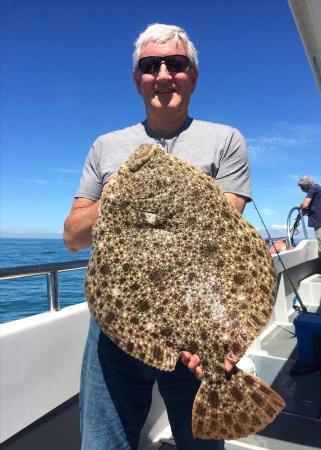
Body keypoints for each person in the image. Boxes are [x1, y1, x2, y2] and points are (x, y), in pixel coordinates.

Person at [64, 23, 252, 450]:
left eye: (176, 63)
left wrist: (230, 331)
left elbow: (227, 242)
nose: (163, 74)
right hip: (114, 333)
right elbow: (73, 237)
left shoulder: (226, 141)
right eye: (150, 65)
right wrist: (116, 198)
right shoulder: (105, 146)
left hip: (194, 330)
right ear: (137, 79)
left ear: (193, 75)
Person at [298, 175, 321, 278]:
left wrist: (300, 206)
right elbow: (309, 207)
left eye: (302, 188)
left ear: (306, 186)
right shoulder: (316, 189)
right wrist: (299, 216)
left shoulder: (313, 189)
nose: (302, 191)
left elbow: (305, 205)